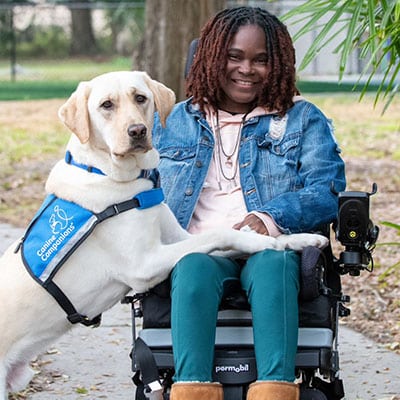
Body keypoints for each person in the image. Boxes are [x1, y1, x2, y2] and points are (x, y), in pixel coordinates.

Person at [151, 6, 346, 400]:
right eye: (234, 56)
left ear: (280, 65)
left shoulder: (303, 120)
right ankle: (192, 390)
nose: (247, 69)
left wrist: (268, 217)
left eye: (261, 60)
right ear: (210, 57)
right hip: (200, 247)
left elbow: (327, 188)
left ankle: (275, 389)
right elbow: (141, 190)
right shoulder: (170, 120)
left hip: (273, 246)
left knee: (273, 265)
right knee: (191, 269)